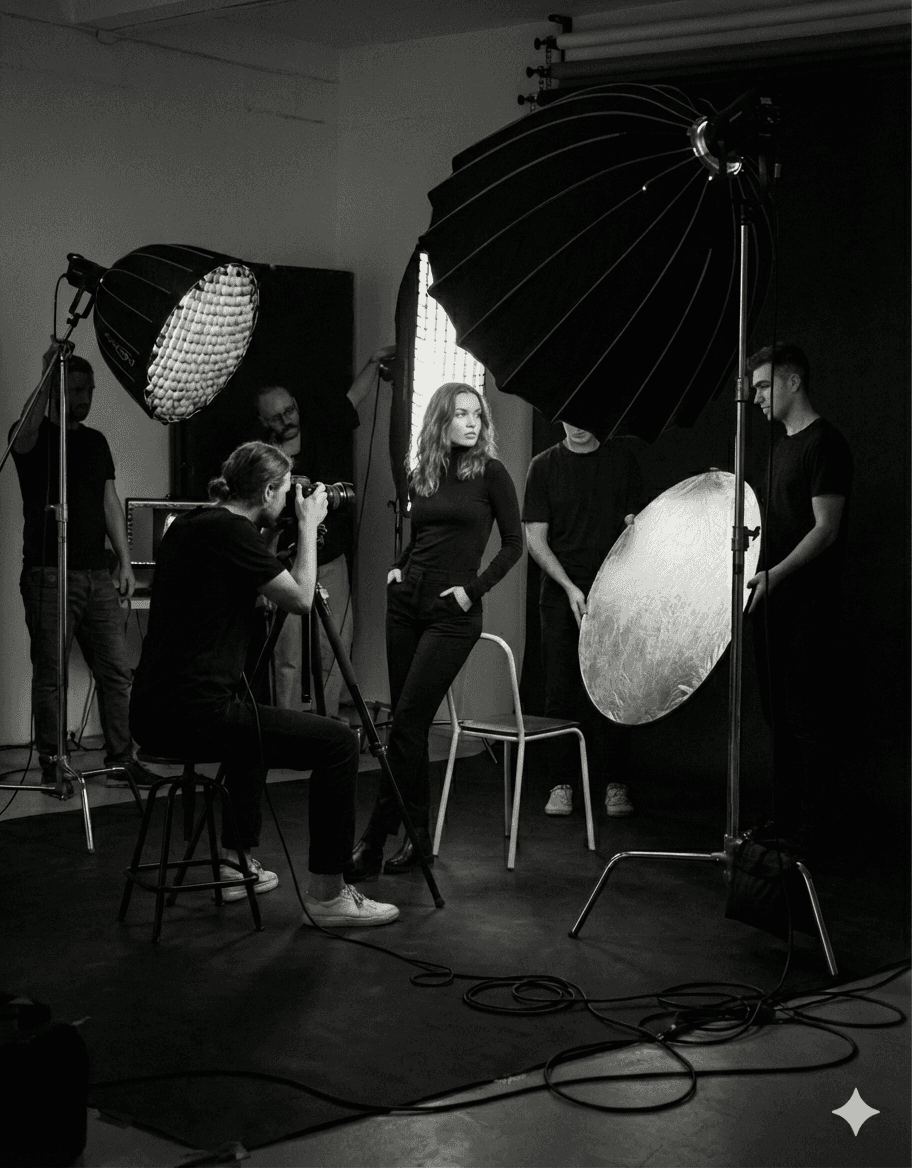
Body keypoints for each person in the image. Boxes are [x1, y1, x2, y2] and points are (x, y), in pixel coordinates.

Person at [129, 441, 399, 927]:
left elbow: (230, 587)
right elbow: (297, 598)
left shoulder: (191, 526)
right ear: (270, 489)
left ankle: (235, 867)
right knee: (339, 742)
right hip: (197, 715)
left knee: (247, 723)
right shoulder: (233, 533)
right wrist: (311, 527)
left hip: (152, 712)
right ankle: (328, 895)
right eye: (287, 487)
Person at [347, 383, 523, 880]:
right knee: (410, 727)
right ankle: (419, 837)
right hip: (407, 604)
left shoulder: (491, 473)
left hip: (453, 612)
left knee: (404, 724)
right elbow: (422, 536)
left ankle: (375, 839)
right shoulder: (423, 471)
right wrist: (398, 567)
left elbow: (514, 544)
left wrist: (473, 591)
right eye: (461, 414)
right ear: (441, 420)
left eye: (477, 415)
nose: (472, 423)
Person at [10, 342, 158, 789]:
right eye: (74, 388)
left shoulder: (96, 441)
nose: (84, 396)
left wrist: (126, 562)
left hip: (97, 574)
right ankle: (54, 763)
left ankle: (122, 759)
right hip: (48, 574)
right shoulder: (33, 434)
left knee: (116, 671)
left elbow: (110, 501)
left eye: (88, 388)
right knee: (51, 675)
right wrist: (45, 373)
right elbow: (21, 440)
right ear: (58, 389)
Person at [746, 343, 853, 849]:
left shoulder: (824, 443)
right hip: (773, 606)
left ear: (793, 381)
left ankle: (815, 831)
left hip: (809, 606)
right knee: (780, 719)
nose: (757, 398)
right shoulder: (778, 448)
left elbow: (825, 529)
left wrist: (777, 574)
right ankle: (786, 820)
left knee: (809, 720)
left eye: (764, 386)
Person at [255, 346, 394, 719]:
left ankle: (326, 721)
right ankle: (287, 726)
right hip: (283, 562)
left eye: (290, 410)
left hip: (330, 556)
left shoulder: (321, 432)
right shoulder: (261, 459)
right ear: (264, 422)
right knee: (287, 653)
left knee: (335, 643)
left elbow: (352, 399)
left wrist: (375, 361)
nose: (288, 420)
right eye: (278, 417)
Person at [523, 422, 644, 819]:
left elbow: (636, 523)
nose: (574, 423)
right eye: (565, 416)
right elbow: (535, 540)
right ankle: (561, 784)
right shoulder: (543, 466)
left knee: (615, 689)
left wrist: (634, 527)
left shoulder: (622, 459)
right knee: (559, 691)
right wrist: (569, 586)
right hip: (561, 595)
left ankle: (616, 784)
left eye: (582, 415)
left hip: (615, 592)